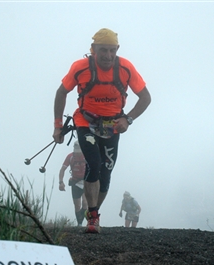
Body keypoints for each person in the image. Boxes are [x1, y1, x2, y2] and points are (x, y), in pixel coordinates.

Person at [52, 28, 151, 234]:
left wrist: (128, 118)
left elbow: (145, 98)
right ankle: (94, 217)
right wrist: (57, 126)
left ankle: (92, 212)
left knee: (106, 173)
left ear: (117, 49)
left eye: (112, 50)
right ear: (93, 49)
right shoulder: (80, 68)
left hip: (112, 126)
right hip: (85, 122)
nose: (108, 55)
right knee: (94, 164)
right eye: (103, 50)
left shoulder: (125, 68)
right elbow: (61, 93)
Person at [59, 141, 88, 226]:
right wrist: (61, 182)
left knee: (85, 204)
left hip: (86, 181)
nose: (78, 153)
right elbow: (62, 170)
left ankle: (86, 221)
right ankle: (79, 223)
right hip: (75, 182)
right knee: (77, 205)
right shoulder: (70, 157)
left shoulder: (87, 155)